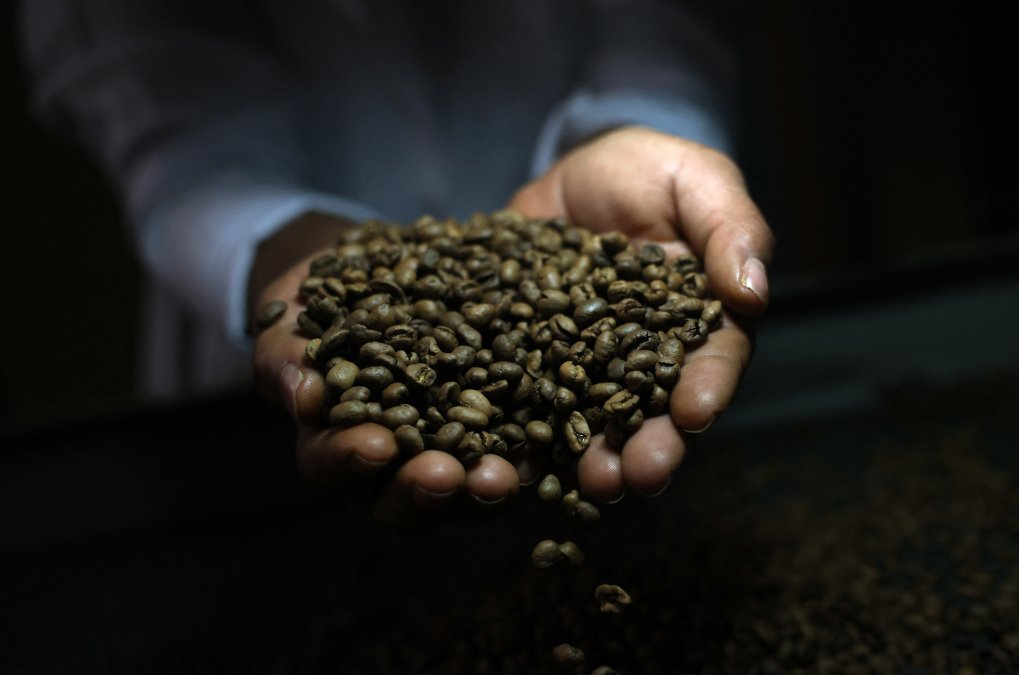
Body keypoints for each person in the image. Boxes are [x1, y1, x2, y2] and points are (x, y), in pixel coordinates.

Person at [22, 0, 774, 525]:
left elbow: (665, 24)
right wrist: (286, 243)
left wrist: (636, 124)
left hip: (592, 216)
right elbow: (160, 109)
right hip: (243, 354)